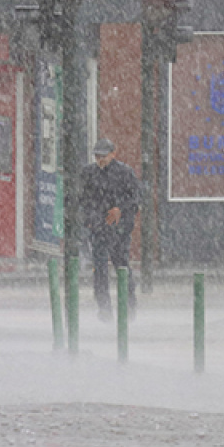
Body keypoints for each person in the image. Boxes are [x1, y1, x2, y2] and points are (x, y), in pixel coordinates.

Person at [80, 138, 139, 322]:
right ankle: (104, 308)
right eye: (97, 156)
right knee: (100, 270)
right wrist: (88, 219)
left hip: (119, 230)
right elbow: (81, 199)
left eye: (104, 156)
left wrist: (120, 209)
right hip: (98, 229)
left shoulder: (124, 173)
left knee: (122, 266)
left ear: (113, 154)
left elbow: (136, 198)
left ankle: (129, 305)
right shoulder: (88, 173)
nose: (100, 160)